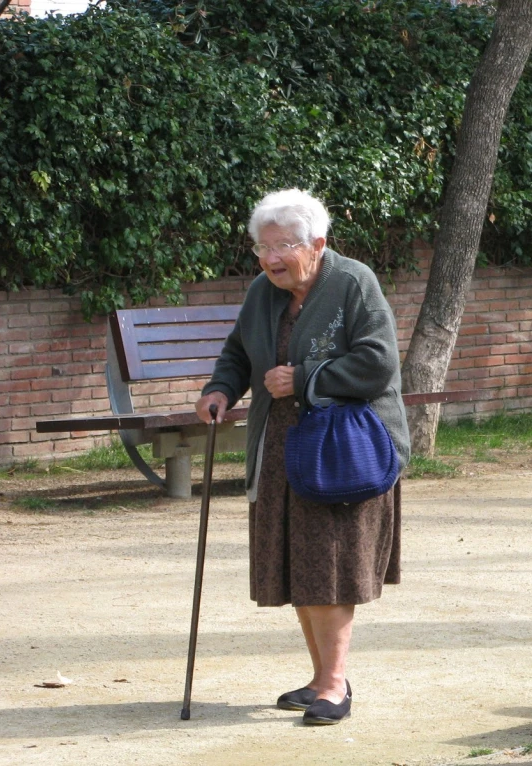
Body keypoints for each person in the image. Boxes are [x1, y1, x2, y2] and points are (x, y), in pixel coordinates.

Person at [195, 188, 410, 725]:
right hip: (281, 449)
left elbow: (378, 363)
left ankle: (335, 687)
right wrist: (220, 389)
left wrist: (306, 379)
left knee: (331, 565)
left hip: (344, 450)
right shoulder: (262, 294)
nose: (271, 258)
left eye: (283, 246)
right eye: (262, 247)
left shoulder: (353, 282)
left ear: (317, 243)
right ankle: (321, 679)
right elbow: (238, 352)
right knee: (299, 562)